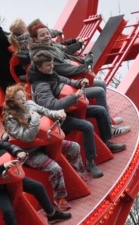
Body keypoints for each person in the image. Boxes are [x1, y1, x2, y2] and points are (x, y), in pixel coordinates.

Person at [28, 51, 127, 179]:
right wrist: (73, 97)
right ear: (39, 67)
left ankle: (107, 142)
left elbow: (65, 80)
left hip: (66, 111)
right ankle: (90, 163)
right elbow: (52, 106)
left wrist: (79, 83)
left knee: (100, 111)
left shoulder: (50, 75)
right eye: (48, 65)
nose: (52, 67)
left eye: (52, 63)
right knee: (86, 126)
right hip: (56, 120)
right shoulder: (41, 85)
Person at [1, 84, 86, 211]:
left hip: (45, 143)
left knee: (74, 147)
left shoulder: (30, 104)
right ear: (12, 101)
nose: (23, 99)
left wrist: (58, 113)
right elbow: (27, 137)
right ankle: (59, 197)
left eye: (23, 96)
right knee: (55, 168)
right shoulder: (11, 119)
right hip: (30, 152)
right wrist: (35, 119)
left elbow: (45, 110)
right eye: (19, 98)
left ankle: (79, 173)